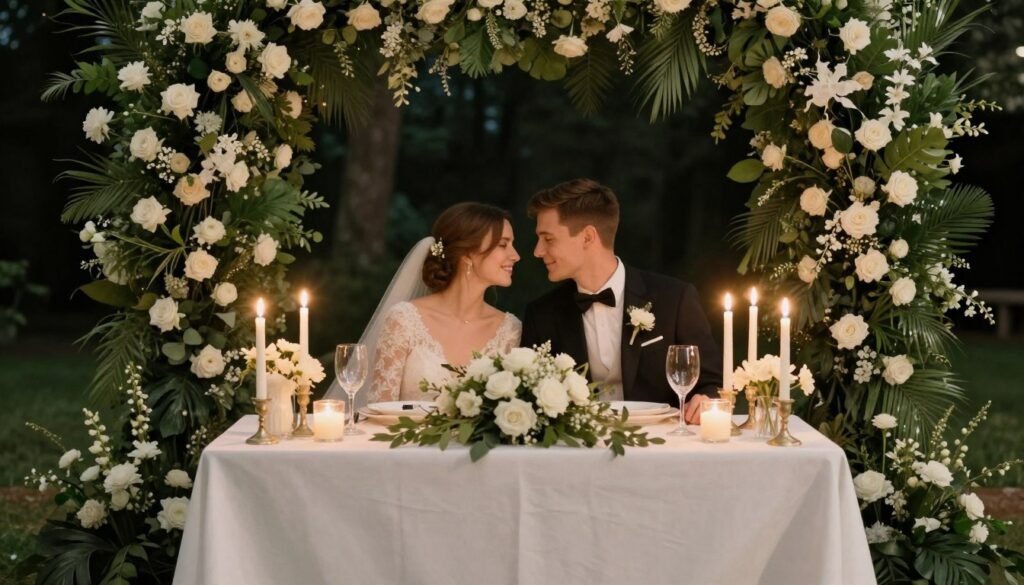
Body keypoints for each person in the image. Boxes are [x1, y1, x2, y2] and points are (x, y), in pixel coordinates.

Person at [520, 179, 723, 423]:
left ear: (587, 237)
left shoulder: (675, 298)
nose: (537, 251)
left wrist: (705, 400)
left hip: (664, 446)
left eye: (548, 239)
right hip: (578, 451)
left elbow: (712, 383)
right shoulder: (541, 314)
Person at [362, 202, 522, 403]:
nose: (515, 255)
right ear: (467, 254)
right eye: (503, 244)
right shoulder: (404, 320)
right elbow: (379, 410)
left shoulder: (510, 331)